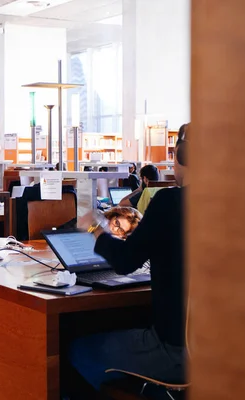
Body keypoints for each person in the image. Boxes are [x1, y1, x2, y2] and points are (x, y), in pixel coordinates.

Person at [69, 123, 189, 393]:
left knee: (76, 349)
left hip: (174, 353)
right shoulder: (237, 210)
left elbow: (125, 261)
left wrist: (95, 228)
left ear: (183, 157)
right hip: (225, 352)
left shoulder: (169, 203)